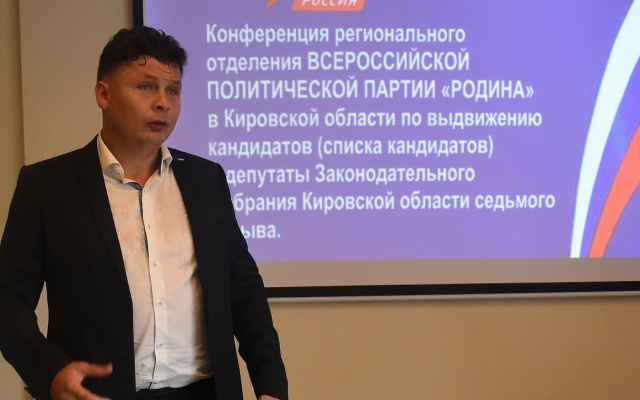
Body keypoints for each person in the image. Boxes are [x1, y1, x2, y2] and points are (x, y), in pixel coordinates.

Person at [0, 26, 288, 400]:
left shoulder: (206, 179)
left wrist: (271, 386)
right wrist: (49, 372)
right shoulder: (47, 186)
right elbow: (8, 300)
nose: (163, 103)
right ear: (103, 94)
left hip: (204, 391)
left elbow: (244, 289)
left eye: (173, 90)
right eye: (146, 86)